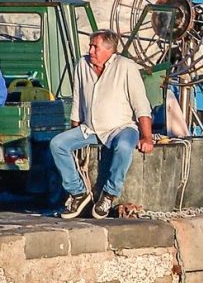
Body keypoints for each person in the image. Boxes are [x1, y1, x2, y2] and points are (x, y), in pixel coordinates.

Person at [50, 29, 154, 220]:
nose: (90, 50)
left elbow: (141, 105)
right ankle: (78, 193)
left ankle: (109, 194)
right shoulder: (82, 64)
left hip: (121, 127)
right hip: (91, 128)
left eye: (95, 46)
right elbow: (78, 99)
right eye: (90, 46)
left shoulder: (126, 67)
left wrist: (147, 137)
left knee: (123, 147)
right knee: (58, 144)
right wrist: (75, 126)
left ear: (109, 50)